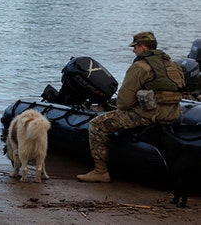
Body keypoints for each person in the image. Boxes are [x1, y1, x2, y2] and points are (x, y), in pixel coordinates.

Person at [77, 31, 185, 183]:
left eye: (135, 47)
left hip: (148, 116)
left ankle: (100, 171)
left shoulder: (140, 67)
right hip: (174, 115)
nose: (133, 50)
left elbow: (124, 102)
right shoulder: (174, 65)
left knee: (96, 125)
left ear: (142, 47)